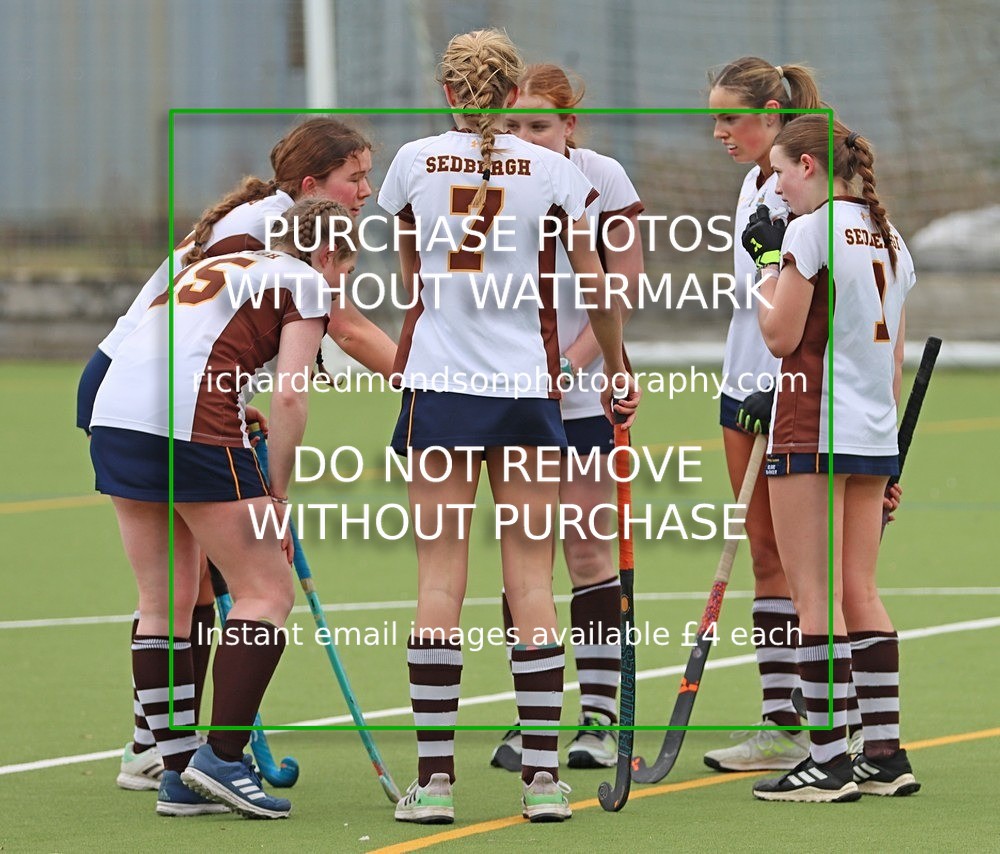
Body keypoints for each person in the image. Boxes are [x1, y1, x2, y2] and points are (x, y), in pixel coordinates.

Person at [76, 118, 394, 792]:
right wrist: (274, 499)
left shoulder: (249, 240)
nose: (366, 189)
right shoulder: (297, 267)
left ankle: (166, 757)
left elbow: (200, 333)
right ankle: (214, 762)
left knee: (170, 592)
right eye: (356, 177)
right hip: (177, 409)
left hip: (119, 401)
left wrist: (225, 394)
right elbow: (293, 398)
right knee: (264, 587)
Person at [378, 29, 639, 824]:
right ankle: (543, 784)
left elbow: (411, 280)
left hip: (442, 390)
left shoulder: (413, 162)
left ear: (452, 92)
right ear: (509, 89)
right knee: (531, 582)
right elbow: (596, 289)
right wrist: (617, 366)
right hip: (529, 392)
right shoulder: (556, 172)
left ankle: (434, 786)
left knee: (437, 584)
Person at [745, 116, 920, 802]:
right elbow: (895, 356)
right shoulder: (891, 236)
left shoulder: (807, 230)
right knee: (860, 589)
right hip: (874, 429)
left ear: (811, 167)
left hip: (812, 423)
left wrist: (765, 266)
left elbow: (781, 334)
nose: (777, 185)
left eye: (782, 170)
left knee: (814, 594)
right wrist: (891, 451)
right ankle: (881, 753)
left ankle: (827, 759)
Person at [489, 63, 644, 771]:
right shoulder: (485, 173)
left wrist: (575, 366)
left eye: (539, 125)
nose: (523, 137)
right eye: (513, 124)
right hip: (506, 394)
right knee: (525, 561)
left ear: (569, 125)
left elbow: (621, 285)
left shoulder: (601, 177)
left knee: (585, 550)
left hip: (576, 394)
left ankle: (600, 716)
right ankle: (535, 717)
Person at [702, 57, 824, 773]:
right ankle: (782, 718)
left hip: (791, 389)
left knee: (811, 559)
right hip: (741, 382)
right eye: (713, 118)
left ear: (772, 110)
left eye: (730, 117)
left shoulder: (807, 185)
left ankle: (832, 717)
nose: (720, 131)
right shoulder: (750, 184)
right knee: (765, 555)